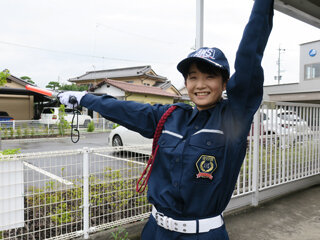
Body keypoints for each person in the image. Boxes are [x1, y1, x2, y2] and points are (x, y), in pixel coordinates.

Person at [58, 0, 274, 239]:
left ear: (224, 83)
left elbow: (249, 58)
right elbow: (124, 109)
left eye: (210, 76)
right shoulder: (170, 116)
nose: (200, 85)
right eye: (192, 77)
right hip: (155, 231)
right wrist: (84, 99)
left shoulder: (233, 117)